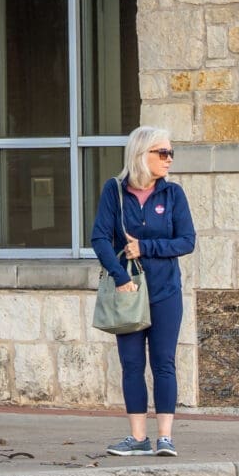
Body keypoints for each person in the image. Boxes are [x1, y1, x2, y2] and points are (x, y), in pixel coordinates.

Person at [90, 126, 195, 457]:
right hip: (129, 290)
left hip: (165, 291)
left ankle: (165, 437)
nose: (168, 159)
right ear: (141, 154)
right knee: (132, 364)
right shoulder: (115, 191)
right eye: (162, 153)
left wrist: (145, 247)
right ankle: (138, 438)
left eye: (170, 153)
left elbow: (186, 241)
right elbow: (100, 238)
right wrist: (120, 276)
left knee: (164, 362)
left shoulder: (173, 194)